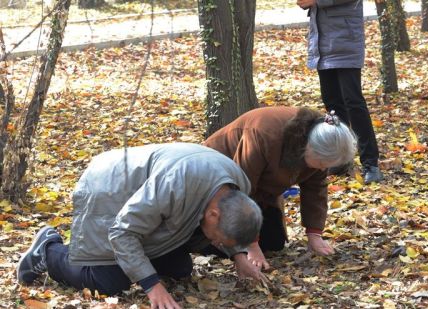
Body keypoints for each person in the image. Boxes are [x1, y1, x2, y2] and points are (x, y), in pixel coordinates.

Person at [17, 143, 263, 309]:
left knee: (179, 268)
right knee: (109, 281)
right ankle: (49, 250)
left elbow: (230, 222)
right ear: (213, 214)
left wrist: (239, 256)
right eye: (219, 241)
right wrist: (152, 286)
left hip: (145, 201)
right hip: (109, 189)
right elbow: (122, 231)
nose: (217, 245)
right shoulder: (174, 186)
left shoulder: (236, 185)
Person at [204, 106, 357, 270]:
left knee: (273, 243)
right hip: (217, 187)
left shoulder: (323, 136)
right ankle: (199, 237)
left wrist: (314, 233)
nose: (322, 169)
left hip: (262, 192)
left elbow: (316, 187)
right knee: (232, 243)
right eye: (321, 163)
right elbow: (242, 189)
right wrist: (251, 245)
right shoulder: (265, 134)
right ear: (308, 148)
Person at [297, 0, 384, 183]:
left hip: (346, 40)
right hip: (322, 41)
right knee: (332, 102)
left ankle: (371, 163)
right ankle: (342, 158)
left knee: (353, 102)